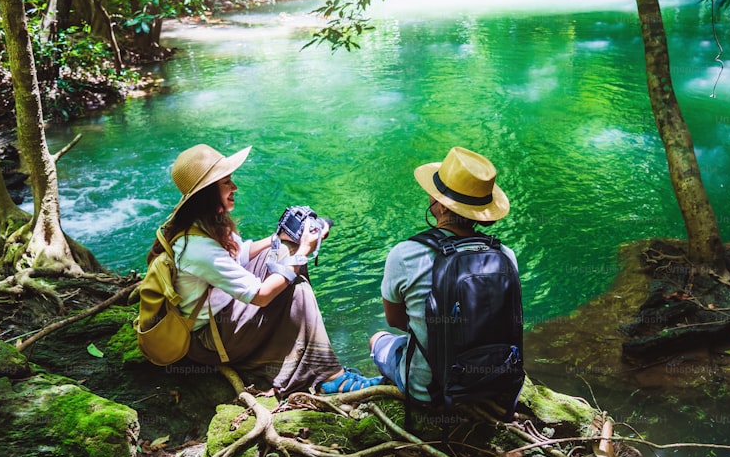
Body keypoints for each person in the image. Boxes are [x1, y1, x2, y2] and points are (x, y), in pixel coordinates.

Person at [148, 143, 382, 395]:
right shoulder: (197, 247)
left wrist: (282, 238)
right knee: (297, 288)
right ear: (207, 193)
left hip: (222, 317)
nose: (234, 187)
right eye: (226, 182)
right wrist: (303, 250)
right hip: (212, 341)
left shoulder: (201, 223)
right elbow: (261, 296)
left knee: (286, 252)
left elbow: (240, 254)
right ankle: (331, 377)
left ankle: (309, 362)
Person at [369, 146, 517, 403]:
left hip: (430, 391)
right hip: (497, 383)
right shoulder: (505, 255)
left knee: (378, 339)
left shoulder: (405, 254)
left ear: (443, 207)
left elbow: (395, 320)